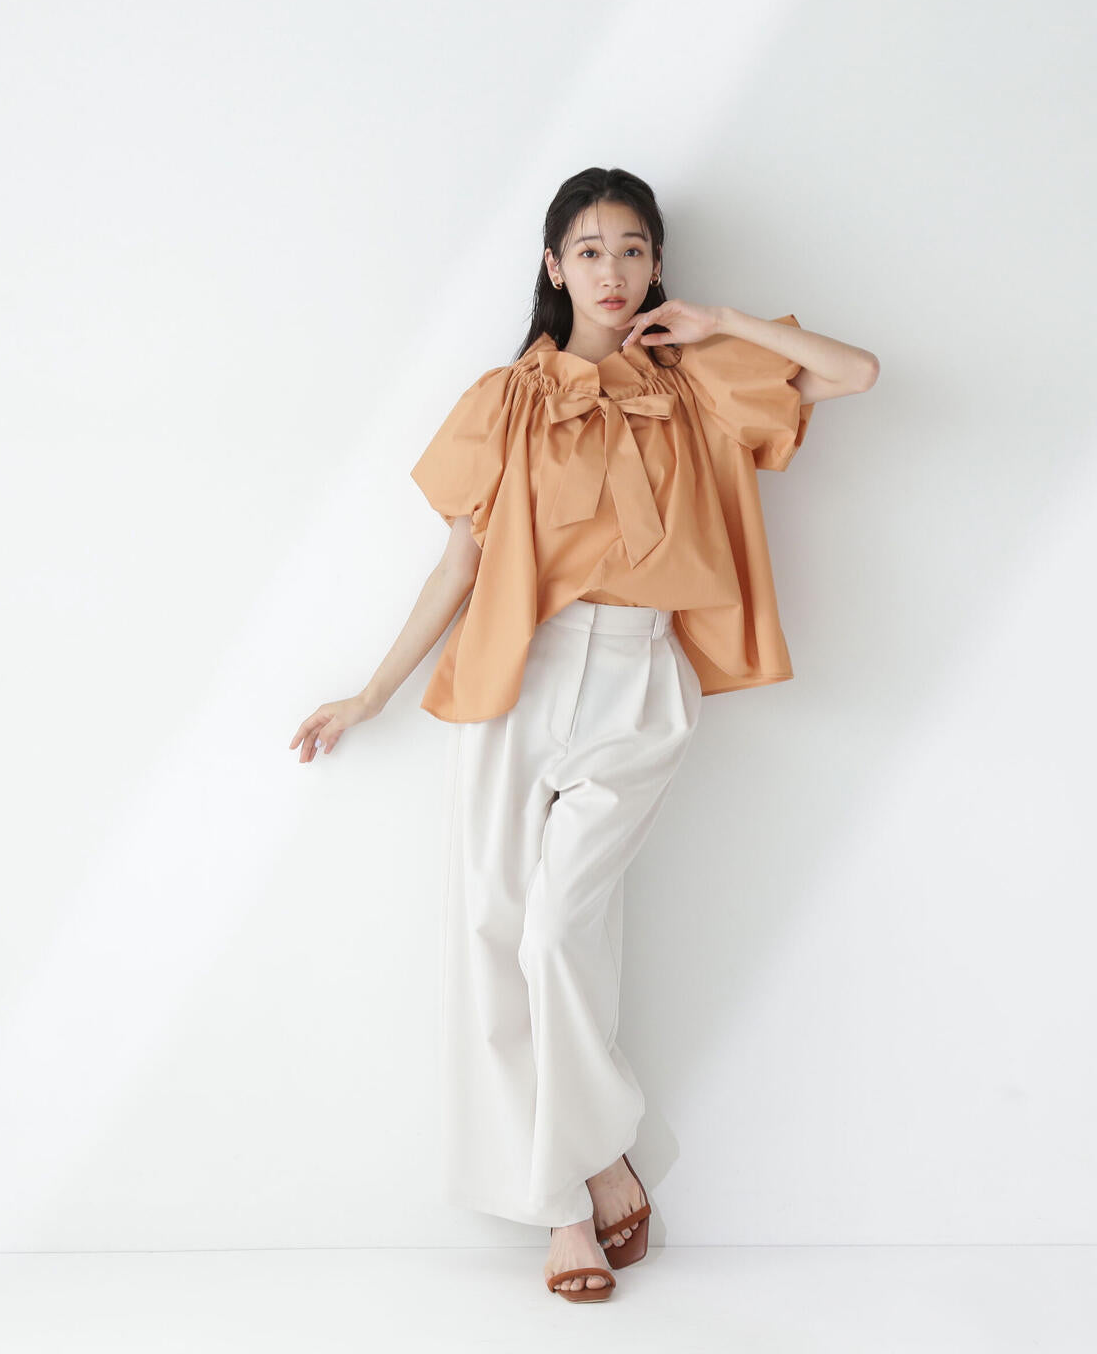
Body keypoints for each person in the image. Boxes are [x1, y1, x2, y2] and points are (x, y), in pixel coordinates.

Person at [289, 166, 879, 1303]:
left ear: (657, 265)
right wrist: (370, 694)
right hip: (522, 672)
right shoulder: (505, 399)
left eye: (634, 248)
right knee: (492, 933)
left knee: (558, 932)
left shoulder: (697, 380)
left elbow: (853, 372)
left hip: (639, 680)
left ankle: (599, 1151)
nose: (613, 271)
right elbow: (458, 565)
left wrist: (719, 322)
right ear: (553, 266)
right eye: (591, 249)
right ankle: (571, 1200)